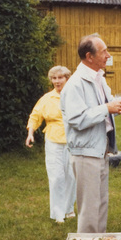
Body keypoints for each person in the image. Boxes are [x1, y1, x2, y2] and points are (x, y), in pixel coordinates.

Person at [60, 33, 121, 233]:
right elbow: (76, 119)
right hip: (85, 154)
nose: (108, 55)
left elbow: (113, 104)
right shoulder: (75, 84)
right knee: (89, 210)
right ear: (89, 56)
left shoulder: (98, 79)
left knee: (101, 205)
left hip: (99, 151)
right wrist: (107, 108)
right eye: (104, 51)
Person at [26, 65, 76, 224]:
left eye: (60, 77)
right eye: (54, 78)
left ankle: (69, 209)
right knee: (56, 177)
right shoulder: (46, 98)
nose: (57, 81)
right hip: (53, 141)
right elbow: (35, 116)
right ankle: (58, 213)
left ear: (67, 78)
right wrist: (30, 133)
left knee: (72, 176)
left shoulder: (75, 95)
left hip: (73, 141)